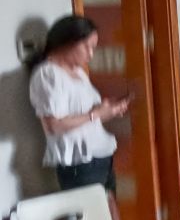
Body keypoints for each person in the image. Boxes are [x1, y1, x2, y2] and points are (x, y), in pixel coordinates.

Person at [26, 15, 128, 192]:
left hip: (101, 157)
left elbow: (85, 116)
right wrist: (97, 114)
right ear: (67, 42)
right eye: (87, 47)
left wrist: (108, 110)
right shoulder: (48, 74)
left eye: (93, 48)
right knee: (92, 210)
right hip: (81, 165)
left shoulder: (78, 72)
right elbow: (54, 126)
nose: (91, 54)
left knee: (109, 210)